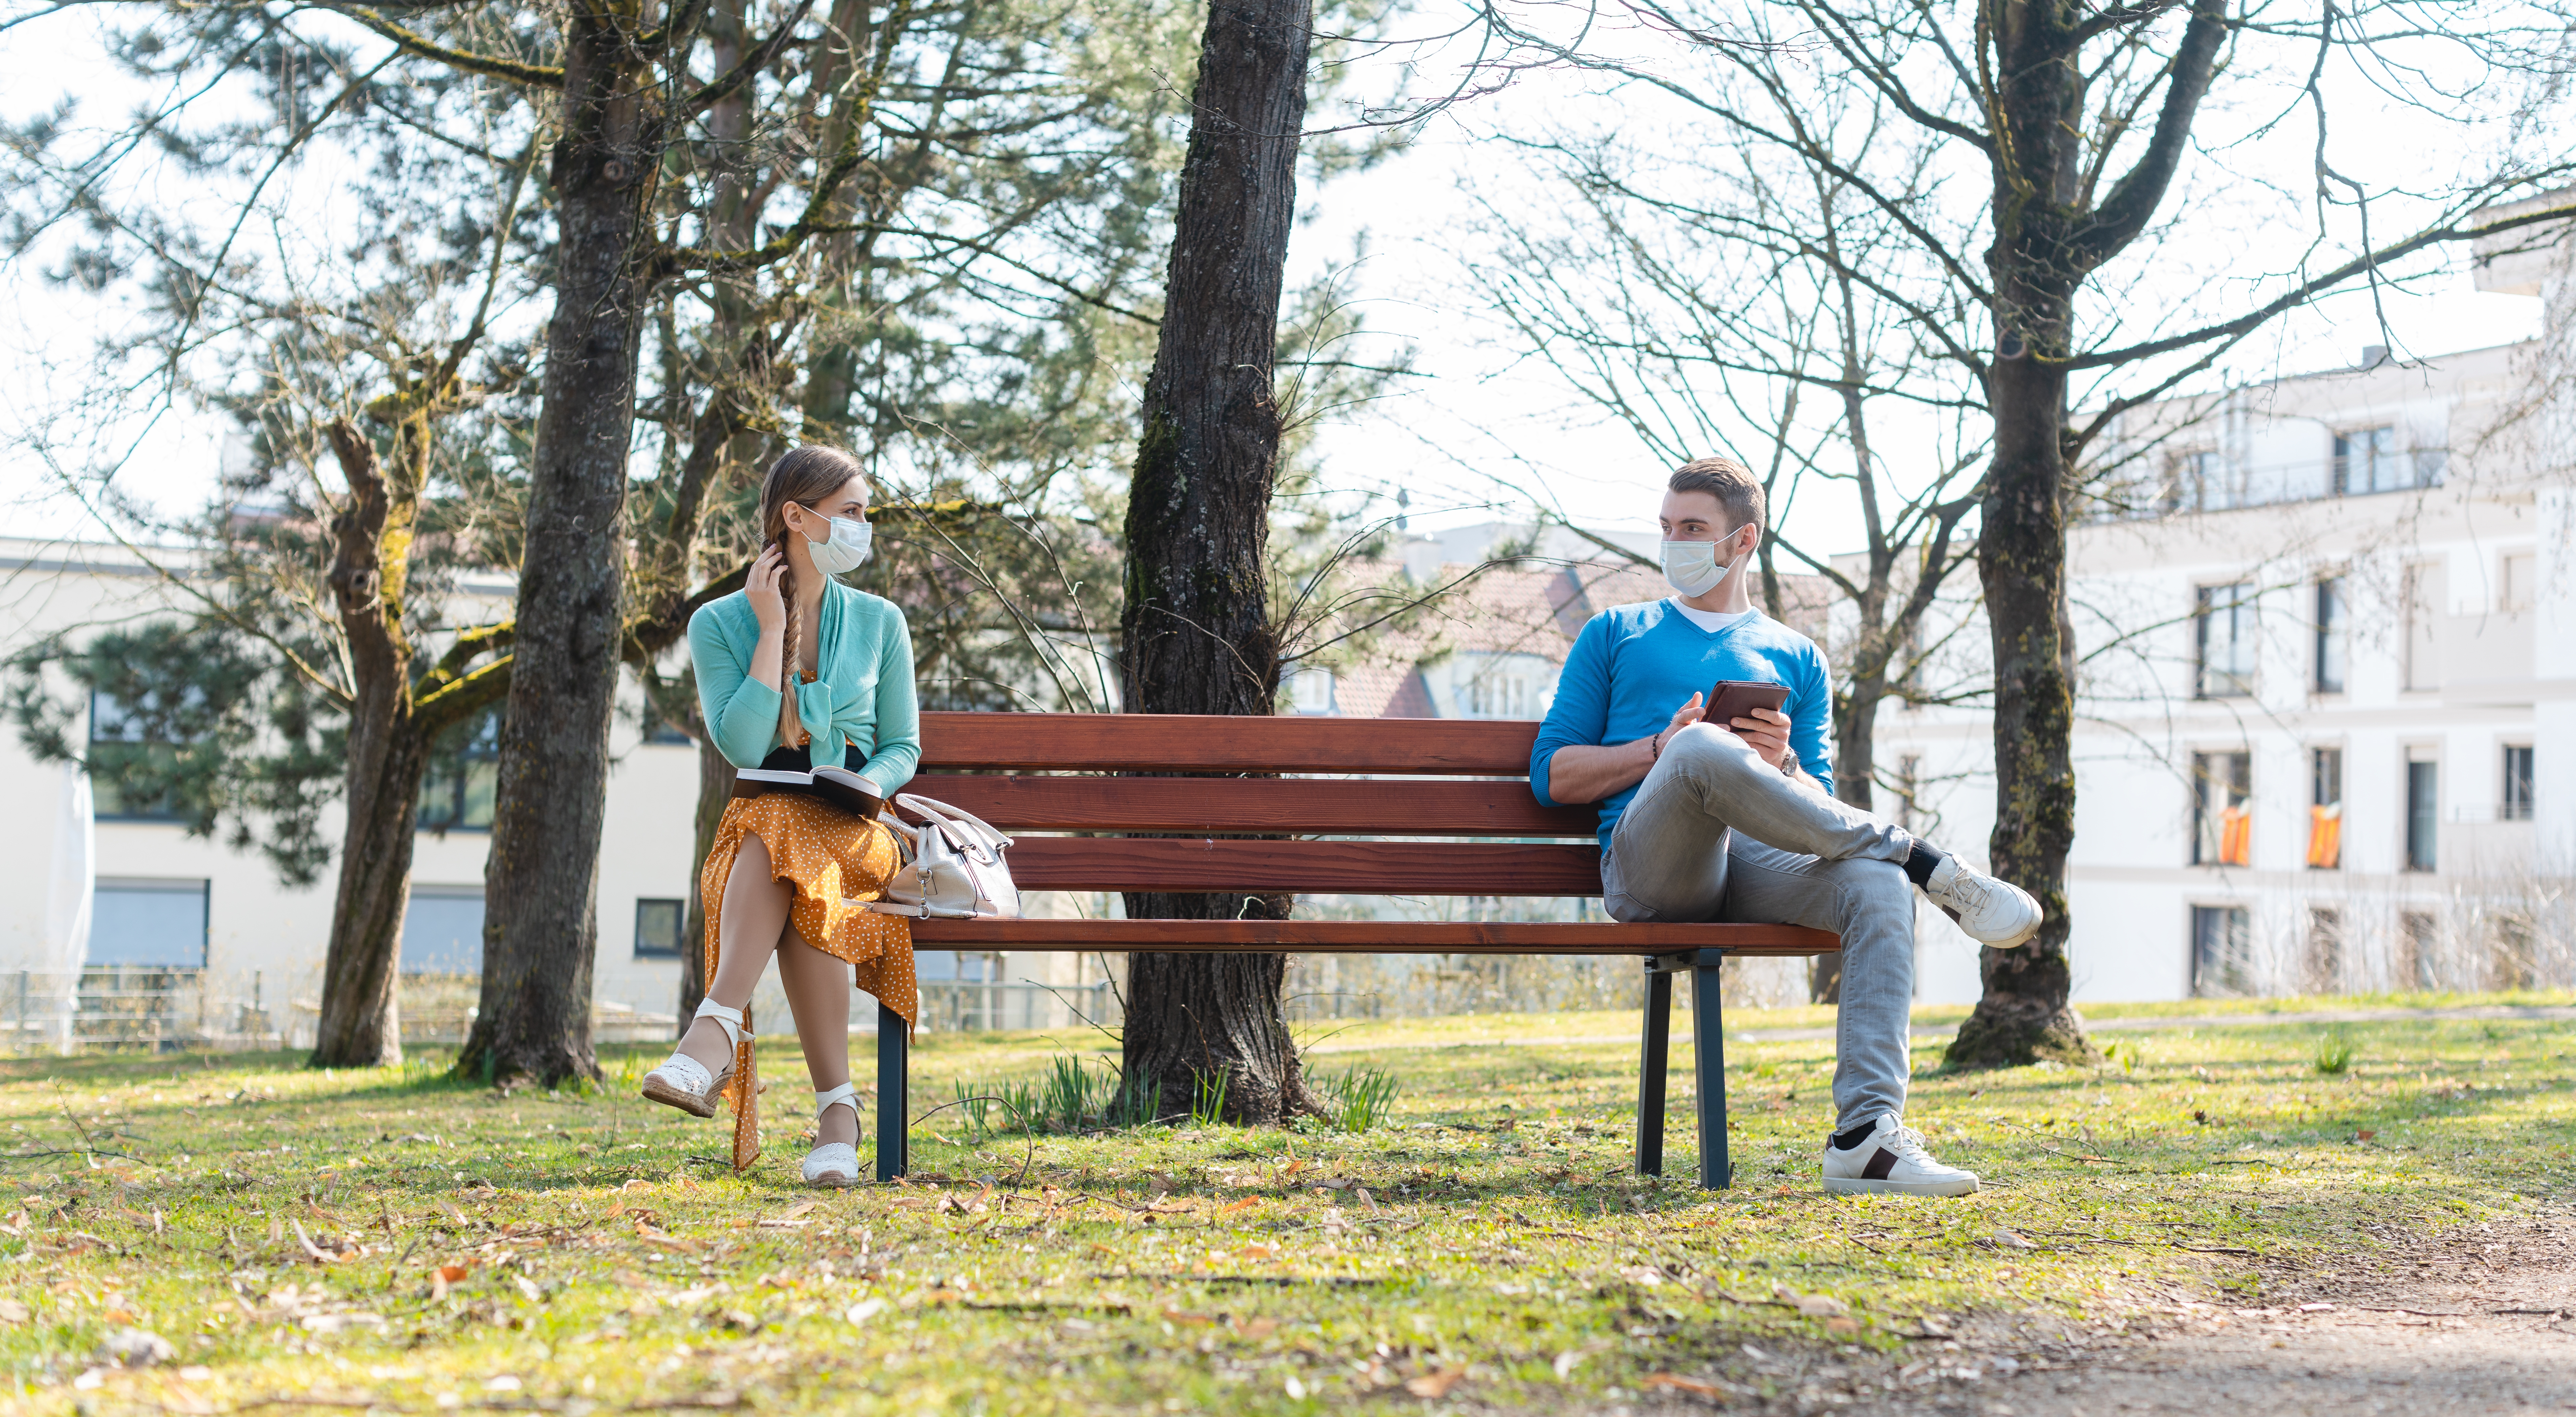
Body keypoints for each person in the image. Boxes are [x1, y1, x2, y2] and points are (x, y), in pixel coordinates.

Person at [1530, 457, 2041, 1197]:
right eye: (1667, 527)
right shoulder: (1616, 632)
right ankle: (1921, 857)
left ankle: (1865, 1139)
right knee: (1705, 744)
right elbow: (1551, 776)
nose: (1673, 541)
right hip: (1653, 871)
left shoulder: (1797, 656)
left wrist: (1786, 766)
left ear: (1742, 541)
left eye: (1692, 528)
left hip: (1757, 866)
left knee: (1872, 884)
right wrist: (1660, 750)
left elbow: (1819, 812)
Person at [640, 446, 922, 1187]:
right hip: (768, 829)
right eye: (853, 513)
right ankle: (839, 1113)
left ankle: (712, 1032)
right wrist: (771, 633)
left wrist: (867, 785)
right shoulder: (718, 624)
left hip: (860, 828)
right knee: (784, 846)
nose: (864, 528)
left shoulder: (881, 621)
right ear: (797, 517)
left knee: (786, 842)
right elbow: (737, 742)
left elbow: (903, 746)